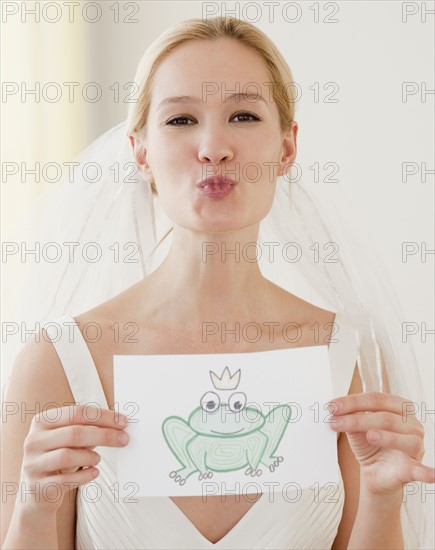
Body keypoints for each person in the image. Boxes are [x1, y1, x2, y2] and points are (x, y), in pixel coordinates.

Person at [1, 16, 434, 549]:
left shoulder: (348, 356)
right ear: (141, 152)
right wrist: (35, 507)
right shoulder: (58, 361)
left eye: (244, 114)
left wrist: (383, 498)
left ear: (287, 147)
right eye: (181, 119)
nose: (213, 147)